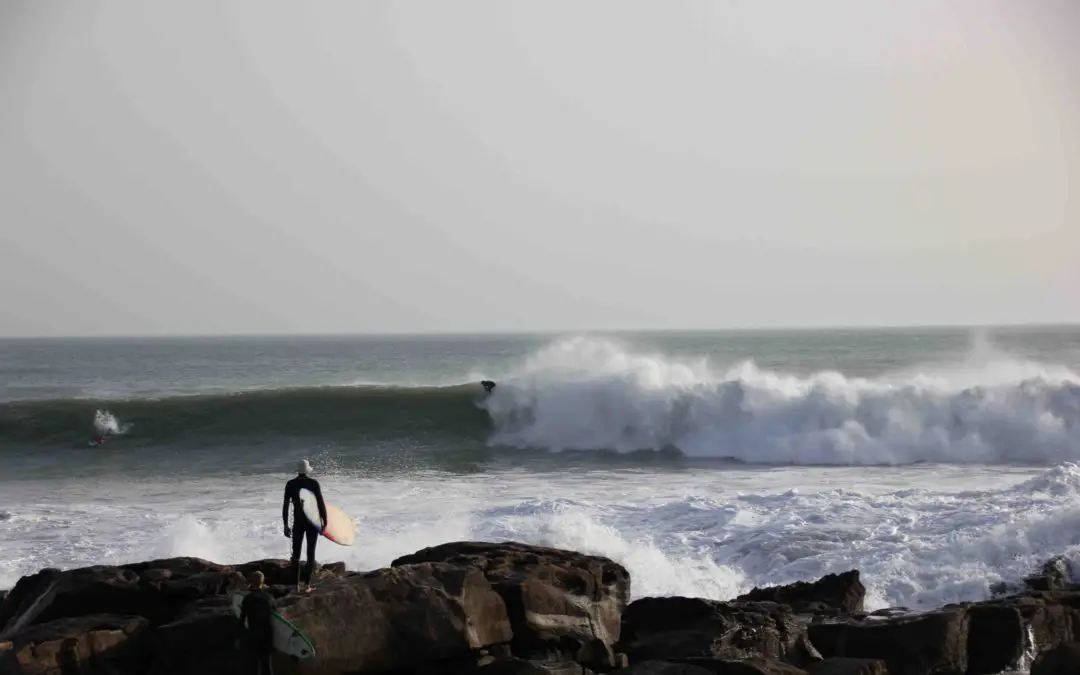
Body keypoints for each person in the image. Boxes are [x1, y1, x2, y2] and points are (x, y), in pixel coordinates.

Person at [282, 459, 327, 592]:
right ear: (307, 470)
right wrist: (325, 522)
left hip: (298, 523)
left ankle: (296, 585)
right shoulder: (313, 483)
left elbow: (285, 506)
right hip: (312, 522)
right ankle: (307, 585)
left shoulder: (290, 484)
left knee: (296, 554)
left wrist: (285, 524)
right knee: (310, 553)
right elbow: (320, 504)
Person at [238, 570, 276, 675]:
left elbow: (242, 619)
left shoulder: (247, 599)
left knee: (253, 665)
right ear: (262, 583)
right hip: (267, 635)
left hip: (253, 635)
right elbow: (276, 617)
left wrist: (240, 637)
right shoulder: (270, 598)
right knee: (267, 664)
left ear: (251, 583)